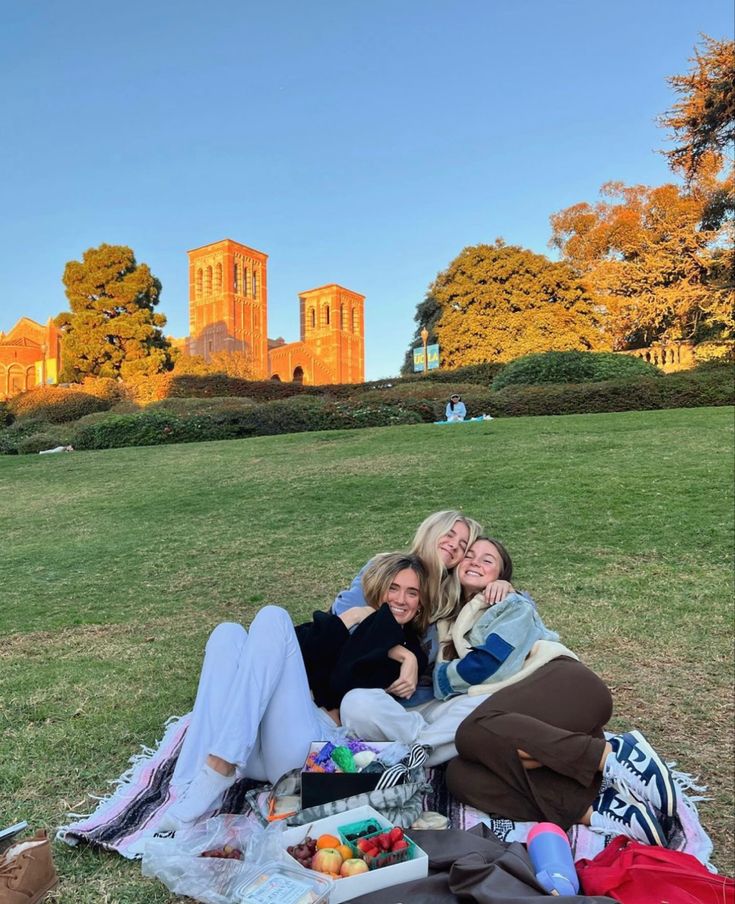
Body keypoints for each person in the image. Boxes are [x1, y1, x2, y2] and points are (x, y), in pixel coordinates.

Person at [158, 553, 429, 831]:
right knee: (227, 634)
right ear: (378, 587)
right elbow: (296, 647)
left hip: (303, 753)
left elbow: (344, 678)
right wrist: (351, 617)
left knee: (274, 616)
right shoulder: (353, 625)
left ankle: (219, 766)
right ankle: (191, 781)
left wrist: (400, 650)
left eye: (412, 593)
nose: (400, 599)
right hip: (253, 746)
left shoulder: (409, 652)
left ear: (420, 604)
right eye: (393, 588)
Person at [442, 537, 677, 847]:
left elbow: (486, 666)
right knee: (461, 776)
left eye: (488, 560)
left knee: (472, 733)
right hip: (538, 723)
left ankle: (612, 755)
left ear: (502, 576)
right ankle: (595, 809)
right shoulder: (453, 618)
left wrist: (432, 676)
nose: (475, 561)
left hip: (567, 683)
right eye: (469, 555)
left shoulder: (509, 604)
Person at [335, 511, 515, 764]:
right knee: (356, 704)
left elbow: (516, 610)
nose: (454, 545)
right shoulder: (387, 568)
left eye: (463, 545)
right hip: (380, 700)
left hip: (427, 704)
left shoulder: (456, 592)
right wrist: (403, 654)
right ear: (430, 531)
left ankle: (411, 753)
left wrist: (505, 586)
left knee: (486, 702)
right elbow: (344, 622)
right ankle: (429, 748)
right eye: (449, 534)